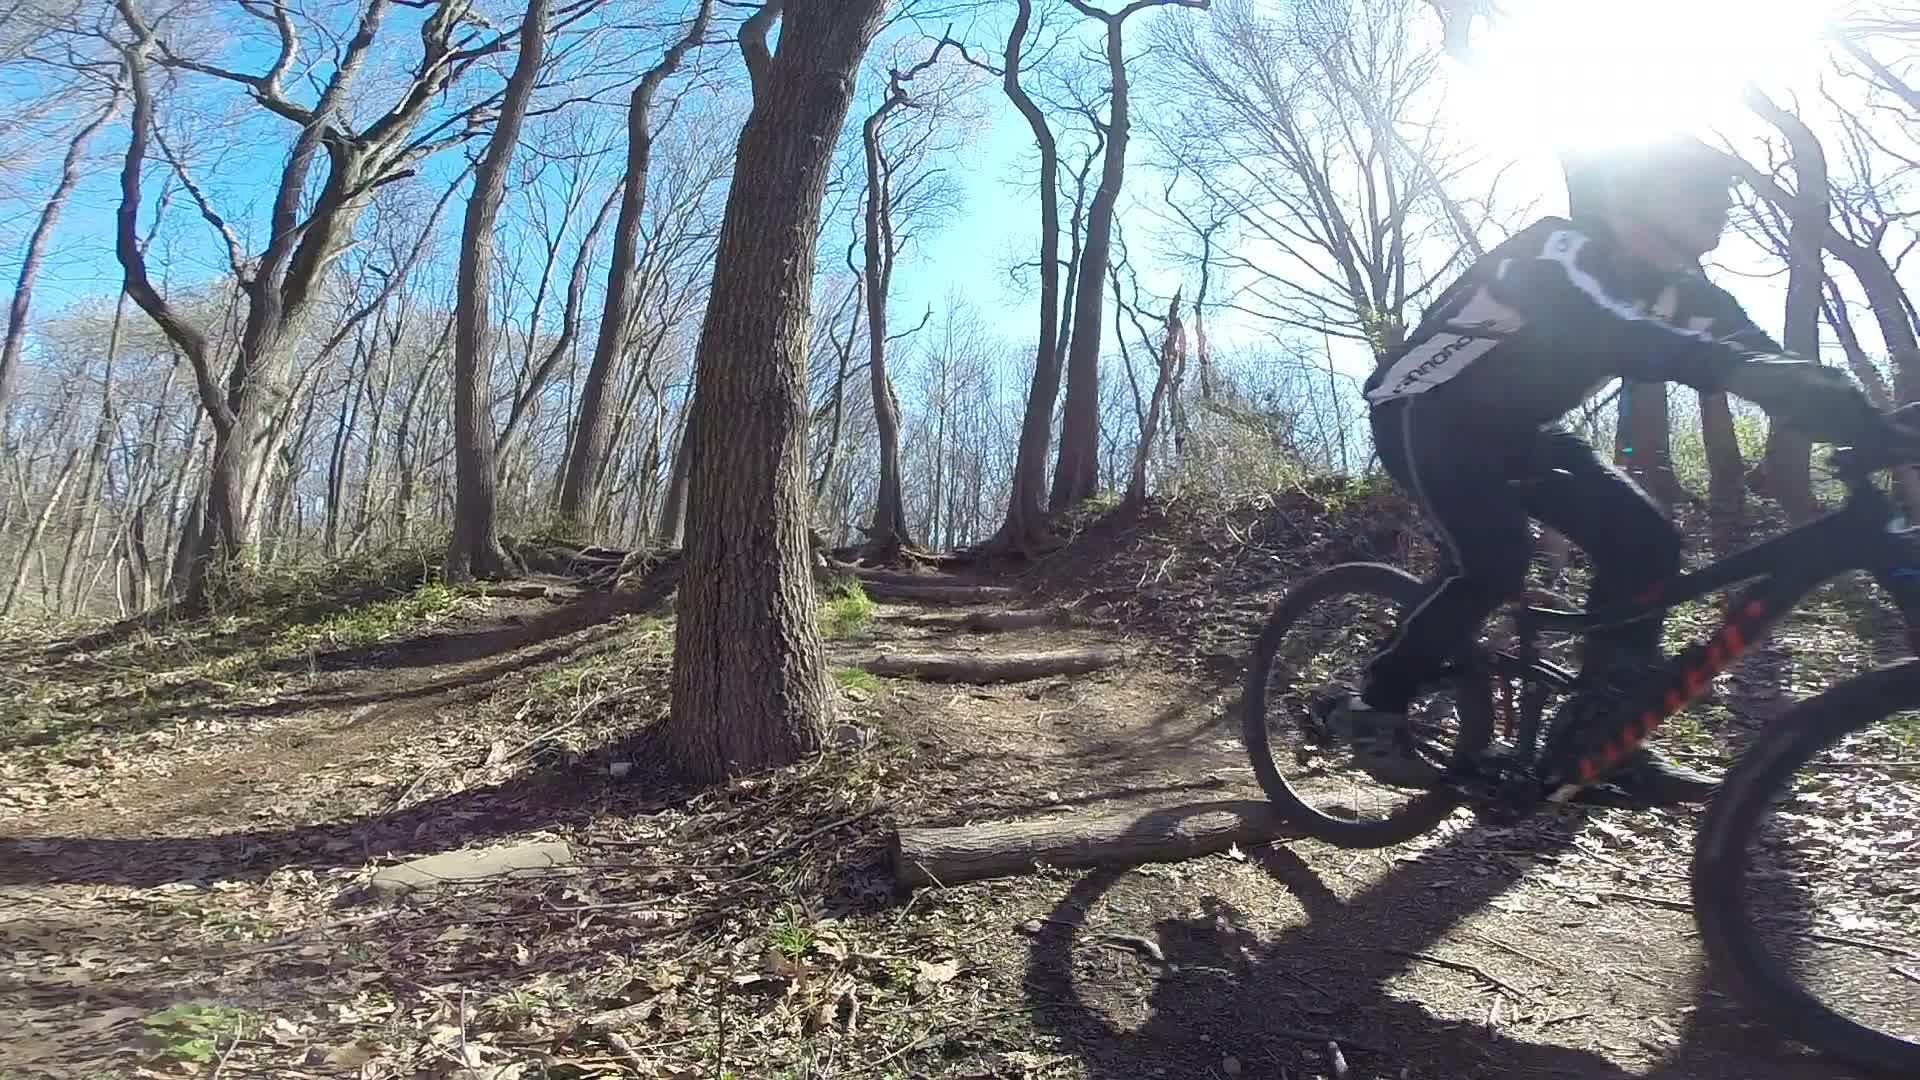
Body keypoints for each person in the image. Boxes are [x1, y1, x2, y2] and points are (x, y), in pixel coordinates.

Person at [1342, 132, 1887, 806]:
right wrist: (1741, 371)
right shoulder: (1555, 250)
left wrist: (1871, 424)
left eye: (1724, 194)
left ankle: (1600, 735)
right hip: (1425, 412)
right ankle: (1379, 702)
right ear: (1633, 194)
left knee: (1649, 542)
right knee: (1494, 563)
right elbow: (1604, 326)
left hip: (1521, 433)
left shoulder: (1693, 296)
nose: (1719, 204)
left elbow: (1774, 366)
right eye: (1696, 185)